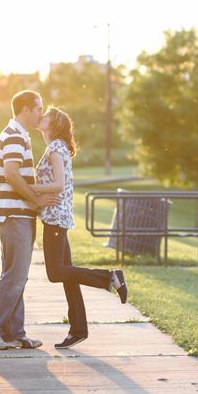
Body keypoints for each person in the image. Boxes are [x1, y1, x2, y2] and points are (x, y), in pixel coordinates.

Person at [35, 106, 128, 349]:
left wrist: (28, 187)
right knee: (68, 272)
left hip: (55, 217)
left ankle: (110, 277)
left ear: (53, 124)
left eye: (45, 115)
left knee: (56, 273)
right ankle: (78, 329)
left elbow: (58, 184)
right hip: (58, 217)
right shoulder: (57, 147)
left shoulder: (55, 147)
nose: (41, 117)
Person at [0, 90, 58, 351]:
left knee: (16, 276)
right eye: (38, 109)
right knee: (15, 276)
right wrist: (35, 201)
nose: (41, 114)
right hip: (13, 215)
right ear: (25, 109)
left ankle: (15, 333)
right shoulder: (13, 135)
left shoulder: (20, 135)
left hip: (19, 215)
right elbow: (11, 174)